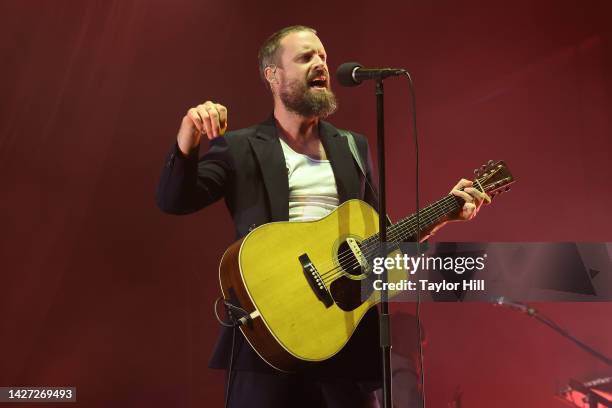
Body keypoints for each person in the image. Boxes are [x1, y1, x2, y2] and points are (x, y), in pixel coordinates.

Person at [156, 25, 487, 408]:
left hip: (341, 337)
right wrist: (188, 134)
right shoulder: (241, 146)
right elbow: (174, 200)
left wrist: (446, 212)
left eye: (323, 57)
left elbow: (381, 239)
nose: (321, 64)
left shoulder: (351, 146)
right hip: (269, 337)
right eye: (306, 57)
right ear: (272, 75)